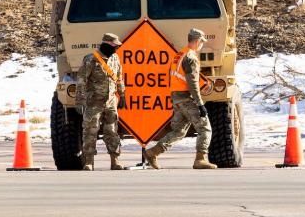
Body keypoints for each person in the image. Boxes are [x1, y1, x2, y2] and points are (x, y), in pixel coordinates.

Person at [142, 28, 217, 170]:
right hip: (186, 99)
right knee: (205, 128)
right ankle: (200, 159)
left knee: (179, 132)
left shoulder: (180, 55)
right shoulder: (191, 57)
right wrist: (200, 104)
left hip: (176, 98)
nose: (202, 45)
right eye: (201, 42)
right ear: (197, 41)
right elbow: (192, 83)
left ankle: (152, 153)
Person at [77, 32, 126, 171]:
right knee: (90, 131)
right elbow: (81, 80)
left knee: (112, 131)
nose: (116, 49)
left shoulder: (115, 58)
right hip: (94, 102)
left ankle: (114, 160)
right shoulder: (90, 59)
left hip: (110, 102)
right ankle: (89, 162)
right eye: (114, 46)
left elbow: (119, 77)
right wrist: (80, 101)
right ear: (107, 45)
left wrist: (122, 94)